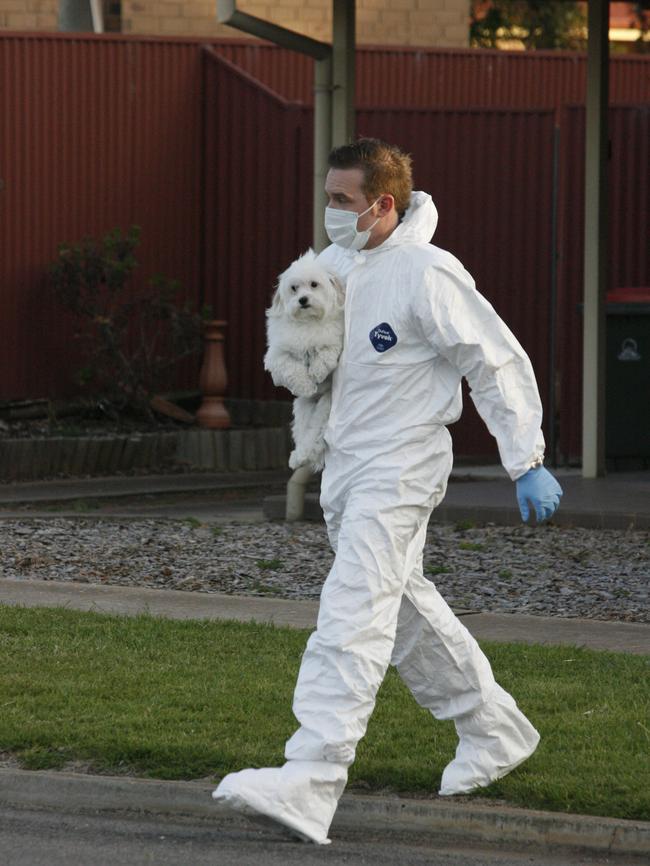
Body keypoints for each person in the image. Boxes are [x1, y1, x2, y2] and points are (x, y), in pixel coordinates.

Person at [213, 138, 563, 845]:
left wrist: (524, 458)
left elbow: (493, 360)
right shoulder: (334, 267)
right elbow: (304, 348)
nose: (330, 213)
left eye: (342, 202)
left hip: (402, 466)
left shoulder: (428, 274)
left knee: (352, 610)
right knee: (401, 608)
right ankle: (493, 729)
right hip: (345, 468)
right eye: (328, 198)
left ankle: (312, 775)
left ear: (383, 204)